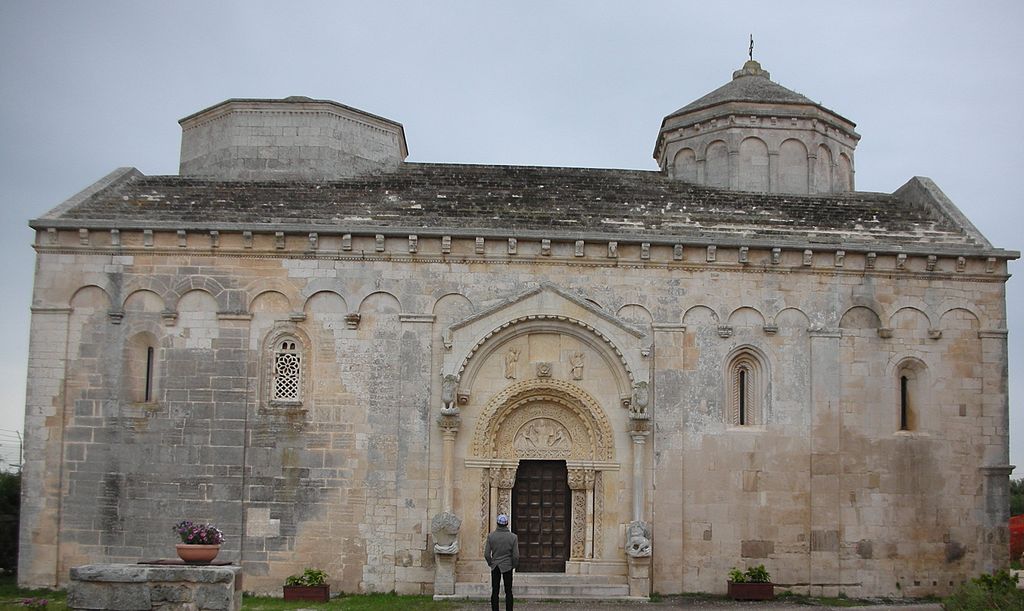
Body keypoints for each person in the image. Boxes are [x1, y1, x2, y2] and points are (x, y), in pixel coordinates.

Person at [484, 513, 518, 611]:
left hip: (495, 566)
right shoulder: (513, 537)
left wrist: (491, 563)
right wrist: (513, 565)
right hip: (507, 565)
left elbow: (486, 554)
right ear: (507, 523)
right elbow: (516, 555)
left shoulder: (491, 536)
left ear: (497, 523)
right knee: (508, 591)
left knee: (495, 590)